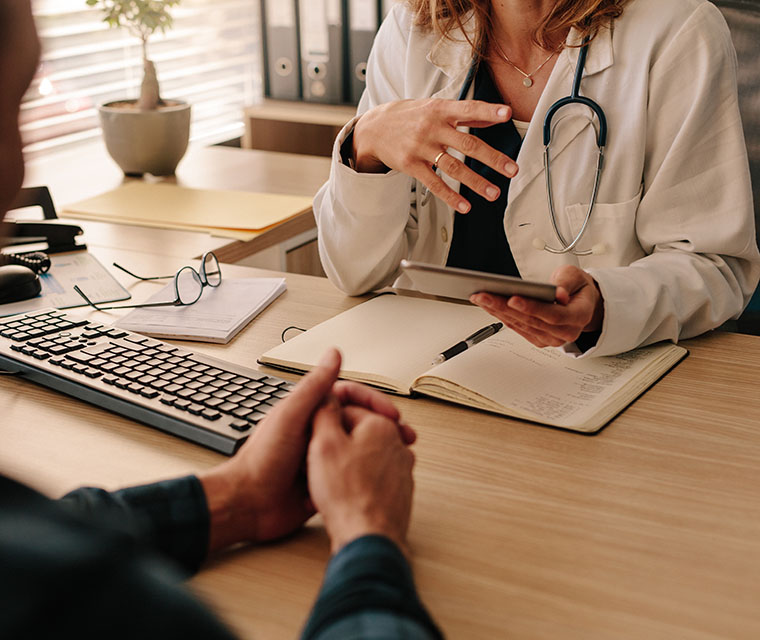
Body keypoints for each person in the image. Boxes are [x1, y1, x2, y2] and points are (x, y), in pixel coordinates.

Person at [0, 3, 442, 638]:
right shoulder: (98, 603)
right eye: (14, 110)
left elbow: (36, 537)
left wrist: (234, 499)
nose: (21, 173)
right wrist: (368, 537)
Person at [314, 0, 760, 357]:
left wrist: (606, 304)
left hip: (599, 381)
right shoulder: (411, 30)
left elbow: (714, 266)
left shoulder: (678, 29)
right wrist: (365, 144)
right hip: (431, 364)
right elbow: (355, 275)